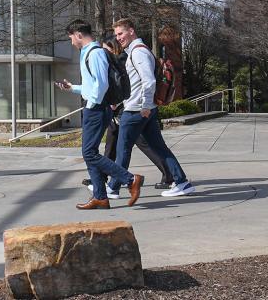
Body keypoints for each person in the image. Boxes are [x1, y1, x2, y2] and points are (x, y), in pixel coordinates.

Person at [57, 19, 144, 209]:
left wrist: (93, 104)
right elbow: (92, 85)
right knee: (90, 153)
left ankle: (130, 180)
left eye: (71, 37)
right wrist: (72, 88)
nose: (71, 41)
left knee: (89, 152)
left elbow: (102, 84)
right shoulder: (88, 53)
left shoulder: (95, 53)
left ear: (79, 35)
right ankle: (100, 197)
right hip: (95, 107)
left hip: (96, 109)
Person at [108, 18, 196, 198]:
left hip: (137, 110)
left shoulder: (138, 53)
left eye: (121, 33)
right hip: (142, 108)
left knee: (123, 149)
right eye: (117, 35)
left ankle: (113, 187)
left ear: (131, 31)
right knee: (159, 148)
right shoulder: (136, 51)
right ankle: (181, 182)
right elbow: (137, 83)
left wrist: (146, 106)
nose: (118, 38)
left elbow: (149, 81)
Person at [81, 35, 174, 197]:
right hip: (124, 109)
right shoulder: (119, 59)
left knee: (134, 146)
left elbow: (133, 85)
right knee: (115, 145)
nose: (103, 51)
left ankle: (124, 181)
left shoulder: (123, 59)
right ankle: (106, 180)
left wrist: (142, 106)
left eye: (106, 48)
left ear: (113, 48)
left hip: (129, 109)